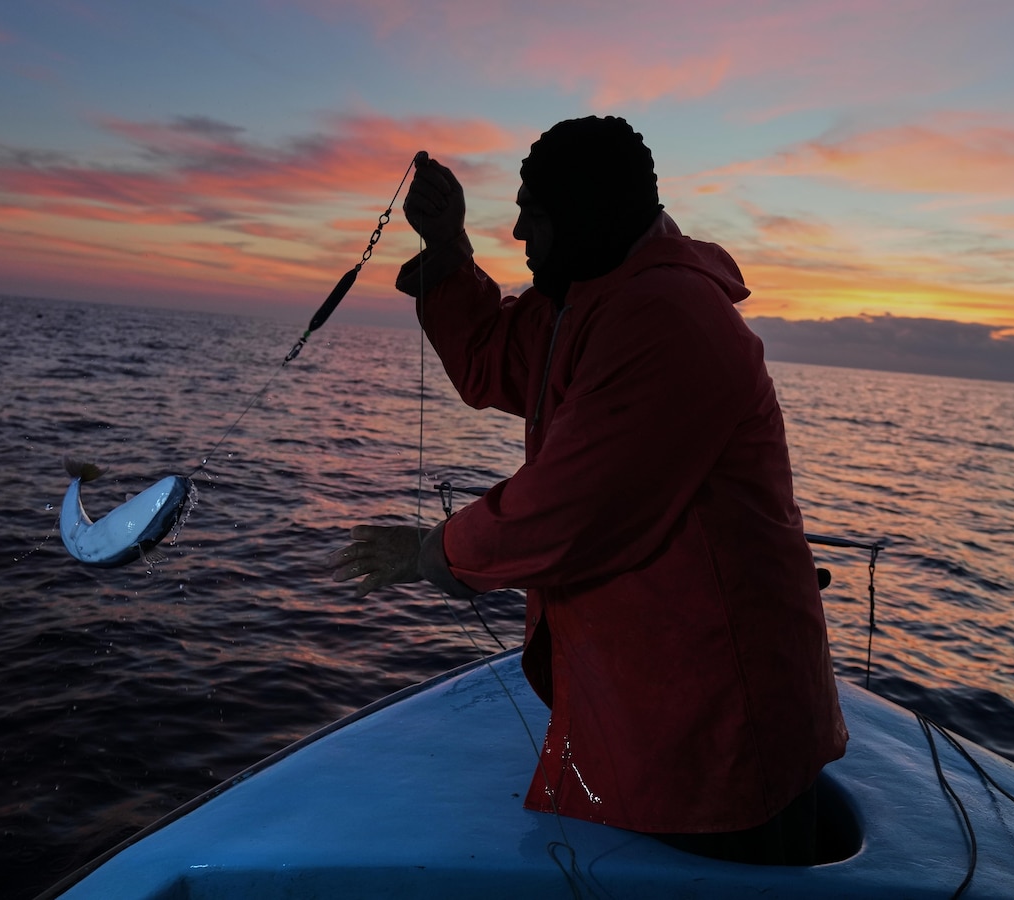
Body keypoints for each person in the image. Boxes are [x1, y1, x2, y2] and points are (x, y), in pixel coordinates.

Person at [325, 116, 847, 864]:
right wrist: (446, 249)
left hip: (718, 734)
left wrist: (429, 553)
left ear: (589, 215)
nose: (515, 230)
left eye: (533, 212)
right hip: (654, 712)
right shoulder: (584, 300)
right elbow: (489, 359)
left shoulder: (668, 322)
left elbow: (569, 510)